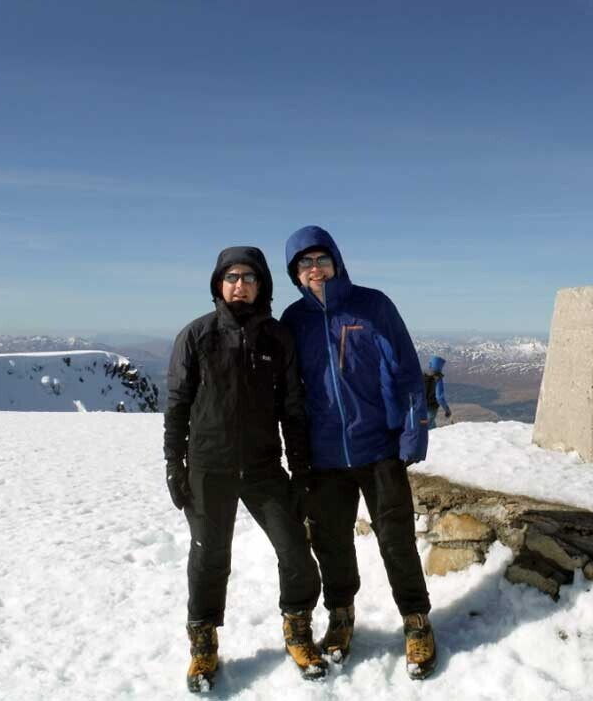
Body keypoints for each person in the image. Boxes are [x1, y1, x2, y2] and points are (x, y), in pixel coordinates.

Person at [163, 246, 327, 693]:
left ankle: (297, 630)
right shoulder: (196, 336)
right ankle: (203, 647)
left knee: (294, 549)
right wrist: (173, 465)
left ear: (261, 286)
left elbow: (292, 408)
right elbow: (177, 405)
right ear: (219, 283)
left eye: (249, 277)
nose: (240, 284)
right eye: (231, 276)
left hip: (263, 467)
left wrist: (301, 470)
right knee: (209, 558)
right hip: (207, 467)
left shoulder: (277, 338)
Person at [280, 226, 437, 680]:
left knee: (396, 541)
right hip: (325, 457)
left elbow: (405, 369)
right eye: (304, 264)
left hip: (379, 448)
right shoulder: (294, 320)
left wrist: (413, 434)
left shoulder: (372, 305)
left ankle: (416, 620)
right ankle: (341, 617)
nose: (314, 269)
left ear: (337, 261)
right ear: (295, 273)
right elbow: (289, 392)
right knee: (331, 544)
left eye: (320, 259)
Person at [424, 356, 452, 429]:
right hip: (431, 409)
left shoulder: (422, 376)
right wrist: (447, 410)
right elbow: (439, 397)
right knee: (429, 429)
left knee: (426, 426)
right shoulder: (438, 379)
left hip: (420, 407)